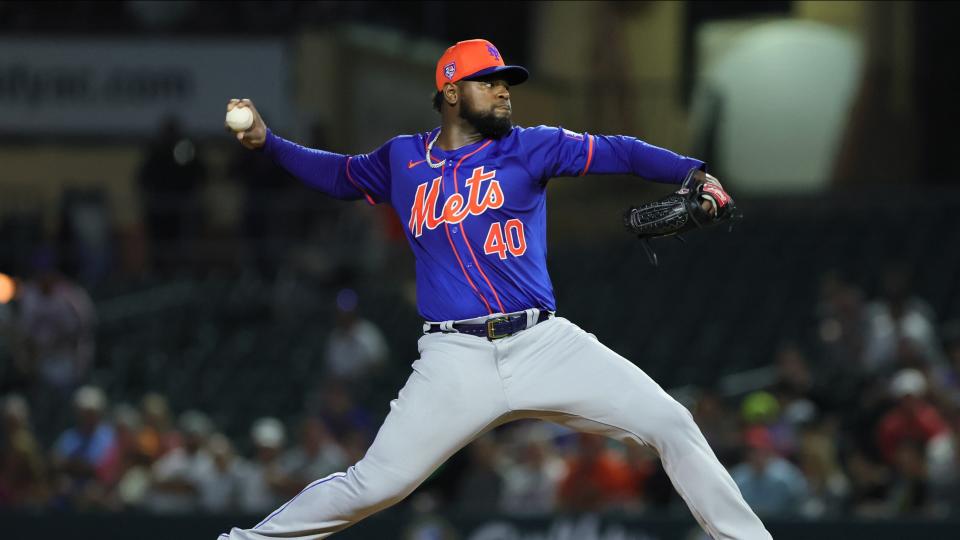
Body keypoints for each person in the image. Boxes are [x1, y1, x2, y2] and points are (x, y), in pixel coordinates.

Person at [219, 38, 771, 539]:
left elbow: (619, 150)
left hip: (543, 343)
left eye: (507, 81)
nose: (505, 90)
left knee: (671, 422)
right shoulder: (402, 159)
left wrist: (694, 173)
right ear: (452, 92)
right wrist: (268, 143)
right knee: (374, 485)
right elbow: (339, 175)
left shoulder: (532, 146)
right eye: (491, 81)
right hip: (453, 357)